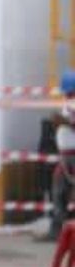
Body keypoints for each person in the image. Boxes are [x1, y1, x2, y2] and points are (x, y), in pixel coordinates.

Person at [47, 71, 75, 239]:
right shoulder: (67, 104)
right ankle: (58, 230)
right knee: (58, 191)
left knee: (64, 191)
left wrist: (62, 121)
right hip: (65, 156)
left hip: (73, 156)